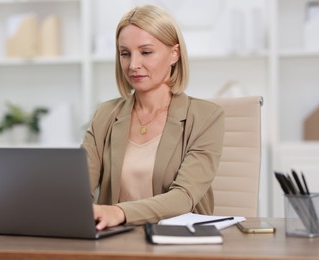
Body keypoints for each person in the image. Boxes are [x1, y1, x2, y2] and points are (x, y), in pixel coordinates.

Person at [81, 4, 224, 231]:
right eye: (125, 53)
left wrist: (119, 211)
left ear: (174, 54)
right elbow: (79, 188)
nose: (133, 65)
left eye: (146, 52)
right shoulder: (105, 115)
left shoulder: (206, 117)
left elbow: (184, 197)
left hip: (178, 242)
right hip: (116, 241)